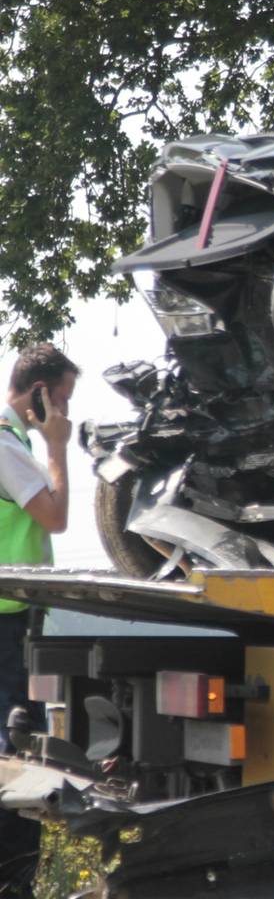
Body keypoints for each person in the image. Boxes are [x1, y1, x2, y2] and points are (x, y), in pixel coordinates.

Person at [0, 343, 78, 896]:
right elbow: (54, 517)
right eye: (64, 400)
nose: (66, 414)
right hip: (7, 618)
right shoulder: (7, 445)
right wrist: (57, 448)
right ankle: (14, 881)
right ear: (40, 394)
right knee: (17, 750)